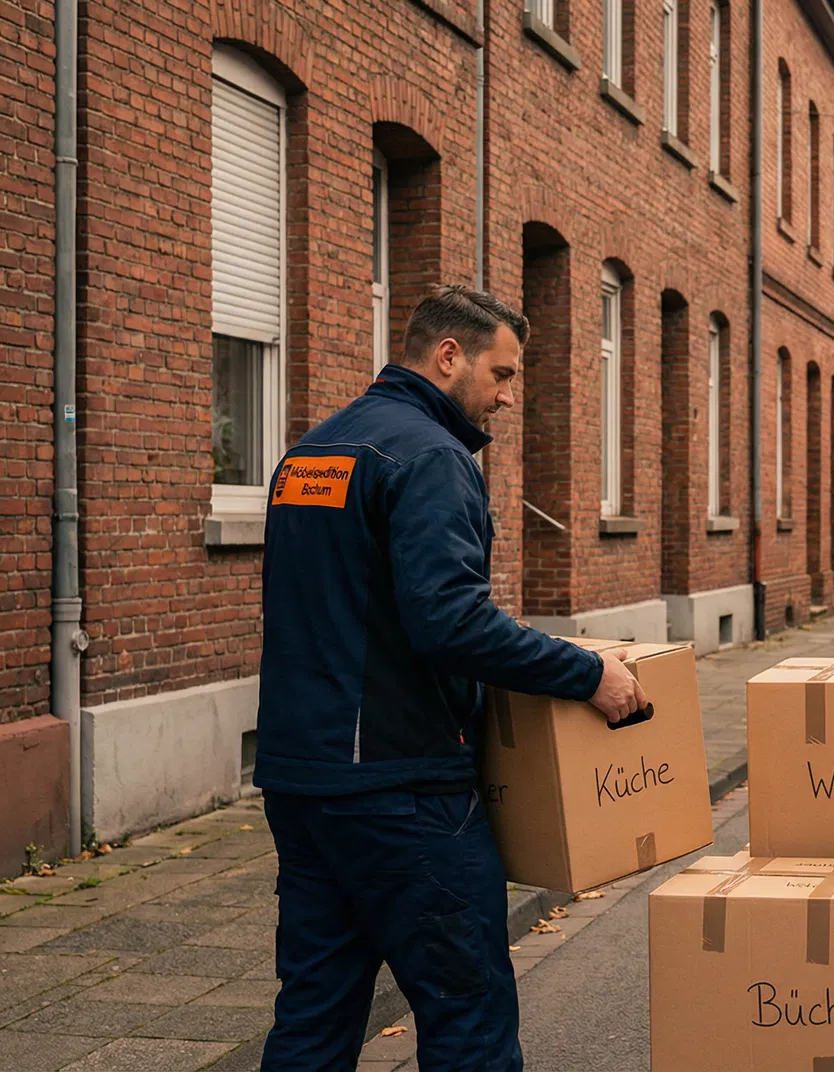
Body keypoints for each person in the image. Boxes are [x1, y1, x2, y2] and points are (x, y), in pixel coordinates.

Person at [253, 285, 646, 1071]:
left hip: (303, 782)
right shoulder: (431, 456)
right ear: (448, 356)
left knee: (315, 1014)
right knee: (467, 1013)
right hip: (404, 788)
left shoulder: (312, 453)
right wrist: (585, 674)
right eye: (501, 374)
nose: (506, 396)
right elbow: (451, 622)